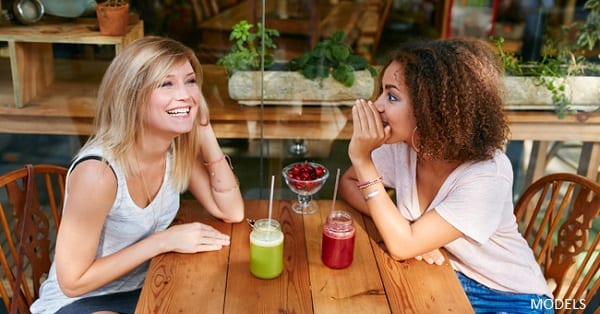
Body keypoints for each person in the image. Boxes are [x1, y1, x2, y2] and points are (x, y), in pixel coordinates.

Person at [30, 36, 245, 314]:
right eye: (166, 83)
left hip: (146, 286)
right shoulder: (99, 173)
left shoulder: (174, 148)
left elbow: (231, 211)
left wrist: (204, 129)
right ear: (130, 95)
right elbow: (73, 282)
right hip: (81, 302)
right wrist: (162, 241)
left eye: (190, 81)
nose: (185, 94)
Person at [338, 37, 553, 313]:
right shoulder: (405, 145)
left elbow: (401, 245)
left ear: (431, 109)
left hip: (510, 296)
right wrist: (405, 228)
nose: (377, 105)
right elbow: (349, 183)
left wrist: (363, 159)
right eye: (381, 92)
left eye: (391, 96)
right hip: (447, 275)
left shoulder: (488, 174)